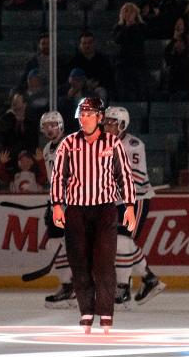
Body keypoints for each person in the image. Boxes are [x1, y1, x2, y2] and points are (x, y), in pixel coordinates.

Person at [50, 97, 136, 334]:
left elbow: (124, 175)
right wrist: (57, 205)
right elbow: (58, 177)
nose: (84, 118)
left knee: (104, 262)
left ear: (99, 117)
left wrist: (129, 205)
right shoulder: (68, 143)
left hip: (105, 209)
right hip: (76, 210)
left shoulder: (112, 143)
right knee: (79, 262)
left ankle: (106, 313)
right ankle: (86, 312)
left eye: (89, 114)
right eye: (82, 114)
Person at [103, 106, 166, 309]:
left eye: (112, 123)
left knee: (122, 241)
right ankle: (149, 279)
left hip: (136, 200)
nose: (107, 126)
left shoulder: (133, 145)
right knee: (122, 242)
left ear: (123, 125)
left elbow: (136, 178)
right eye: (106, 122)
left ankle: (122, 289)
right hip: (117, 201)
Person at [39, 111, 76, 309]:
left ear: (61, 126)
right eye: (46, 125)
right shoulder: (47, 149)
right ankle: (67, 285)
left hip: (74, 202)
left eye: (53, 125)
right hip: (58, 203)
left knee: (76, 246)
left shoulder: (71, 144)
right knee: (55, 243)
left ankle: (79, 286)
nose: (50, 129)